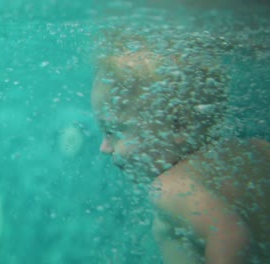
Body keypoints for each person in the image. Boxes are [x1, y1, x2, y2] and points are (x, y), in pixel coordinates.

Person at [91, 33, 270, 263]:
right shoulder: (252, 151)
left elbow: (231, 236)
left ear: (178, 125)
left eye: (114, 131)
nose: (104, 147)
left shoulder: (171, 188)